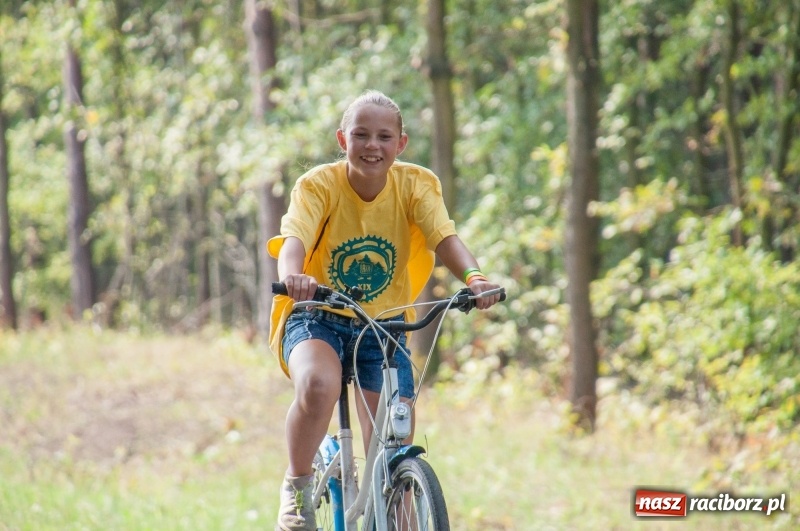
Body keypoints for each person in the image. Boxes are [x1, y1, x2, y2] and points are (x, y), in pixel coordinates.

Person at [267, 90, 502, 531]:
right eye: (361, 135)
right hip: (318, 314)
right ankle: (297, 490)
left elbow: (443, 236)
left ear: (401, 144)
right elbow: (294, 236)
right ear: (343, 139)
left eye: (383, 136)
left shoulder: (416, 184)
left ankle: (398, 508)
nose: (372, 145)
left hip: (384, 323)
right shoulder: (318, 185)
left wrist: (474, 278)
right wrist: (296, 276)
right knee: (319, 385)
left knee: (393, 450)